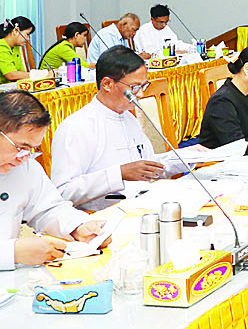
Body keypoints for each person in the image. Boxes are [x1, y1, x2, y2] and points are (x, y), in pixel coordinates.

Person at [0, 91, 106, 276]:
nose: (24, 158)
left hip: (12, 277)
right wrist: (11, 253)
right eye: (20, 148)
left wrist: (78, 227)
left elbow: (48, 209)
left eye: (31, 150)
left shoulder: (22, 165)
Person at [50, 46, 167, 210]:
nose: (140, 94)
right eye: (134, 87)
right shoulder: (76, 126)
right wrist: (118, 174)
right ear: (107, 84)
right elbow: (64, 192)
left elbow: (149, 164)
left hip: (141, 203)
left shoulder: (129, 118)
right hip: (101, 214)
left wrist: (190, 157)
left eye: (144, 86)